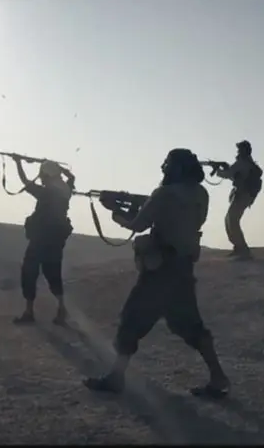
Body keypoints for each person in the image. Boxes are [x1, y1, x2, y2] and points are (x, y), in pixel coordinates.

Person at [83, 148, 231, 399]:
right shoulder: (200, 193)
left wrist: (115, 212)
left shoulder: (164, 194)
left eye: (167, 164)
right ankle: (218, 377)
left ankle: (116, 377)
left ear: (176, 168)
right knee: (191, 326)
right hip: (183, 268)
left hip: (160, 270)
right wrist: (139, 207)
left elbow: (137, 224)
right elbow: (173, 219)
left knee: (131, 320)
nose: (164, 168)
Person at [11, 156, 76, 326]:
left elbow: (25, 181)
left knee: (29, 272)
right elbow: (71, 177)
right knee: (53, 274)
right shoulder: (65, 191)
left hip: (41, 240)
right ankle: (61, 309)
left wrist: (18, 163)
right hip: (55, 241)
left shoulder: (47, 193)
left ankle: (29, 311)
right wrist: (59, 169)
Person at [215, 140, 263, 259]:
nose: (238, 152)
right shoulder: (247, 163)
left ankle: (242, 249)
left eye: (239, 150)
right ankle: (239, 247)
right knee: (230, 220)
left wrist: (217, 170)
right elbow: (235, 176)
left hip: (242, 195)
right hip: (244, 195)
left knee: (232, 220)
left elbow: (228, 174)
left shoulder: (242, 163)